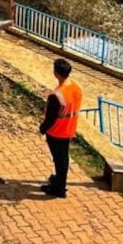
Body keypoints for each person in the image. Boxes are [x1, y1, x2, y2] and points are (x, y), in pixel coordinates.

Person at [39, 59, 82, 198]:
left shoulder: (56, 95)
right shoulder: (75, 88)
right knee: (63, 158)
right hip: (69, 128)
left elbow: (51, 118)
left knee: (59, 160)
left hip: (57, 131)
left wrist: (43, 128)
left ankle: (59, 188)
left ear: (56, 73)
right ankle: (59, 181)